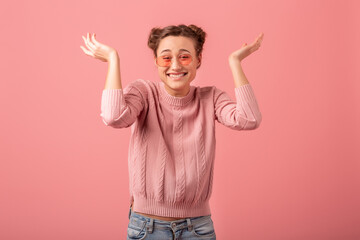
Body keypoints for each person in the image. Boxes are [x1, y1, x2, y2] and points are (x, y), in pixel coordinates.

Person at [80, 24, 263, 240]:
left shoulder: (210, 97)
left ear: (198, 60)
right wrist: (113, 59)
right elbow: (113, 117)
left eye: (184, 57)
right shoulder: (144, 92)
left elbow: (250, 119)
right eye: (166, 58)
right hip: (146, 227)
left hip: (198, 228)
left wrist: (235, 62)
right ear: (156, 62)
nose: (175, 65)